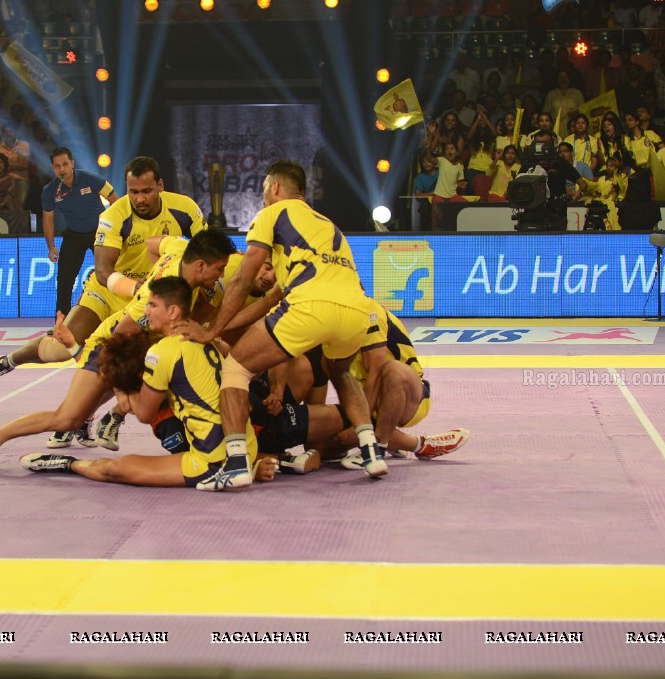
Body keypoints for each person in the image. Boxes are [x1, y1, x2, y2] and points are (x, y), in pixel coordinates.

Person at [0, 156, 206, 447]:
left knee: (119, 364)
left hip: (147, 300)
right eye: (133, 192)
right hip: (111, 290)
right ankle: (9, 361)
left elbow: (203, 253)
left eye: (146, 191)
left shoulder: (185, 209)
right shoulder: (114, 216)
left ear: (160, 186)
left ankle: (82, 416)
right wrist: (139, 289)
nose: (140, 199)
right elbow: (105, 271)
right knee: (59, 350)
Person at [179, 160, 388, 489]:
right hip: (357, 311)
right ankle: (371, 450)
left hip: (310, 305)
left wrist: (212, 331)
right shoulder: (327, 226)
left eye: (264, 191)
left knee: (235, 369)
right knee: (340, 371)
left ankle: (235, 466)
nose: (263, 198)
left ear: (275, 188)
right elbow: (270, 301)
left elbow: (243, 279)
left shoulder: (272, 214)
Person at [0, 232, 236, 474]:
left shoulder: (180, 248)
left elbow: (152, 242)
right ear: (200, 265)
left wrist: (148, 273)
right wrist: (121, 387)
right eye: (219, 269)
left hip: (141, 348)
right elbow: (122, 337)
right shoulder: (152, 301)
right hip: (113, 347)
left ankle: (104, 416)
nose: (221, 275)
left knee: (102, 404)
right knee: (67, 416)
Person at [18, 276, 280, 487]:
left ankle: (67, 464)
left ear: (173, 311)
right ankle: (252, 464)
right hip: (243, 445)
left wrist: (117, 387)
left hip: (211, 460)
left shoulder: (162, 352)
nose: (146, 311)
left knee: (117, 468)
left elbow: (143, 413)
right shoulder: (204, 336)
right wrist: (77, 349)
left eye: (153, 305)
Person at [334, 301, 469, 470]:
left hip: (407, 394)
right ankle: (419, 445)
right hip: (361, 397)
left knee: (393, 370)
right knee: (332, 442)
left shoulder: (369, 312)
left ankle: (378, 447)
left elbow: (374, 375)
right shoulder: (323, 317)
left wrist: (362, 430)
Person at [42, 147, 120, 317]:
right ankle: (61, 321)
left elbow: (117, 202)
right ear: (53, 168)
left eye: (65, 164)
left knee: (112, 274)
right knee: (64, 280)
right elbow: (47, 219)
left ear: (72, 164)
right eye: (57, 166)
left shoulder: (91, 179)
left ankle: (119, 314)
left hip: (100, 234)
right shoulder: (50, 191)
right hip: (73, 235)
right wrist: (51, 247)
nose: (62, 169)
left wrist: (117, 232)